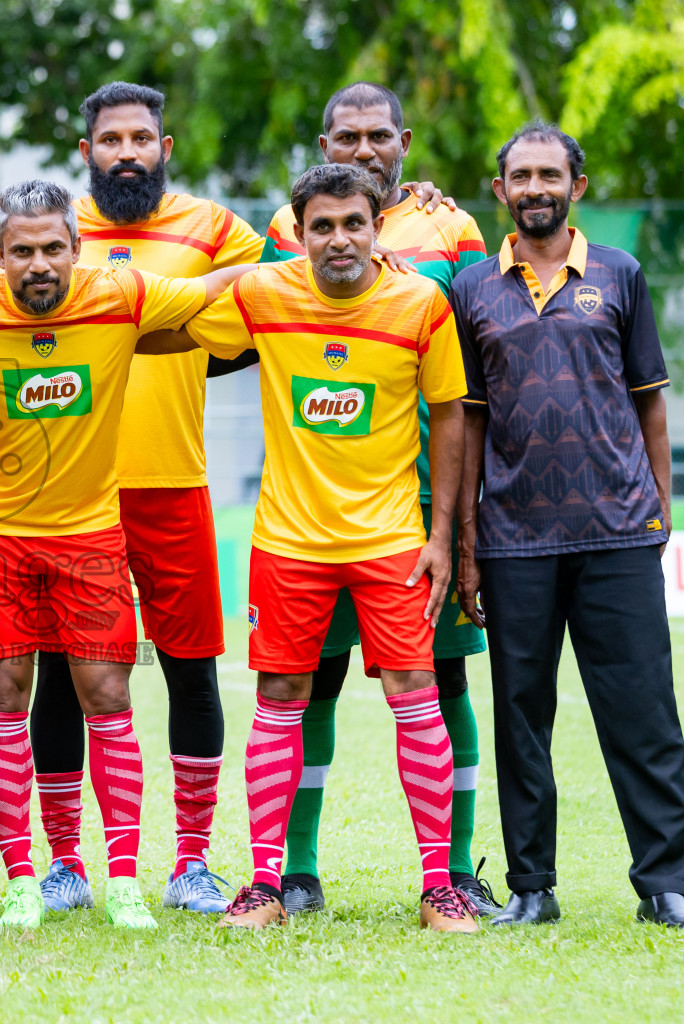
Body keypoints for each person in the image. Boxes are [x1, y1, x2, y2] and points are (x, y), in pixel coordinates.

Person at [0, 180, 257, 930]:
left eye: (53, 248)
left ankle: (123, 882)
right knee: (5, 696)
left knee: (109, 697)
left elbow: (221, 282)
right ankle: (29, 878)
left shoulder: (120, 293)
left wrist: (333, 262)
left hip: (90, 536)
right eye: (22, 250)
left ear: (77, 251)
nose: (39, 263)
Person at [173, 162, 477, 933]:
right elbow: (180, 321)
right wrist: (252, 268)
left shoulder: (420, 301)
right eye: (322, 226)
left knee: (417, 692)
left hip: (391, 540)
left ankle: (439, 886)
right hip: (288, 540)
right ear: (298, 235)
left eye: (354, 224)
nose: (339, 239)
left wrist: (441, 533)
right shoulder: (267, 293)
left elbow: (448, 413)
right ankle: (265, 885)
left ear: (380, 228)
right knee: (280, 700)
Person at [14, 81, 265, 917]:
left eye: (141, 138)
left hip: (173, 487)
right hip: (70, 493)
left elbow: (274, 285)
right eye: (111, 140)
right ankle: (65, 865)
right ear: (86, 152)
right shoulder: (54, 232)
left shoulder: (212, 227)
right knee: (62, 676)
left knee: (191, 675)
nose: (127, 152)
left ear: (166, 147)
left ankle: (192, 860)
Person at [453, 123, 684, 929]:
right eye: (519, 175)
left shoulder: (621, 275)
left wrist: (656, 509)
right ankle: (532, 888)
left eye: (548, 174)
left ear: (577, 186)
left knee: (643, 713)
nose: (534, 187)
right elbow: (472, 424)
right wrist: (467, 544)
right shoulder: (472, 290)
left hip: (620, 533)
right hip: (515, 539)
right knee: (521, 717)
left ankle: (665, 888)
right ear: (500, 191)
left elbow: (650, 403)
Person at [263, 81, 498, 917]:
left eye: (377, 137)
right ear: (324, 143)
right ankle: (296, 868)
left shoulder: (453, 226)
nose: (362, 151)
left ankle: (456, 868)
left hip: (425, 496)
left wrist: (464, 521)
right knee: (309, 684)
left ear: (404, 141)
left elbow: (473, 356)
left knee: (442, 681)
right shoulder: (292, 227)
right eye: (346, 137)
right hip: (316, 506)